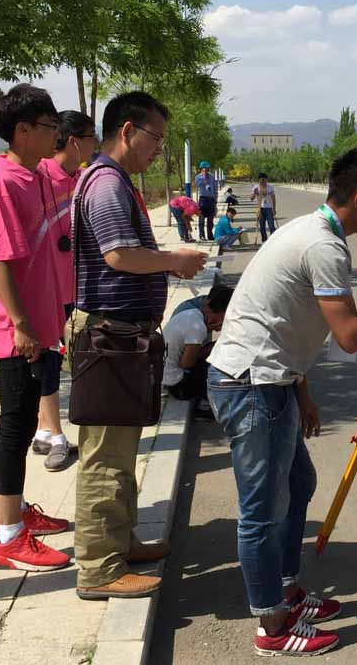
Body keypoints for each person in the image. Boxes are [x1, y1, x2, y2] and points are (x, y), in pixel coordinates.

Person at [207, 148, 357, 657]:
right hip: (251, 384)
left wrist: (302, 390)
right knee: (262, 511)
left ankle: (287, 591)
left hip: (273, 379)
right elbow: (350, 337)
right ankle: (271, 624)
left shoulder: (319, 232)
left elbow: (293, 322)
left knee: (299, 483)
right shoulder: (323, 246)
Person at [72, 91, 206, 600]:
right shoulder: (106, 184)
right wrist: (173, 260)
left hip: (122, 339)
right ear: (127, 131)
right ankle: (99, 567)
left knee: (121, 452)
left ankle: (119, 543)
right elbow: (119, 255)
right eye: (155, 138)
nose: (158, 150)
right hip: (109, 338)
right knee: (105, 456)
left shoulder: (114, 181)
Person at [0, 83, 71, 572]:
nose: (56, 134)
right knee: (15, 428)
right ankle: (8, 536)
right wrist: (20, 324)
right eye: (50, 126)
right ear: (23, 131)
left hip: (44, 324)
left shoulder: (34, 177)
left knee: (26, 417)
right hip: (21, 332)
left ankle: (12, 516)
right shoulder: (1, 185)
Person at [28, 110, 97, 472]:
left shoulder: (83, 178)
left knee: (63, 356)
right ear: (73, 141)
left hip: (74, 285)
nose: (95, 144)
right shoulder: (38, 176)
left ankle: (44, 430)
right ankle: (55, 435)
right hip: (43, 289)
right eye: (91, 137)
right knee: (50, 361)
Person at [163, 285, 233, 406]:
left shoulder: (191, 313)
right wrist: (214, 347)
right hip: (177, 385)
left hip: (164, 376)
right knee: (219, 366)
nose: (220, 327)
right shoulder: (198, 327)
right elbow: (186, 364)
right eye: (223, 319)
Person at [195, 161, 218, 241]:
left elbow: (215, 188)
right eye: (206, 168)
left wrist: (215, 201)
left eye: (208, 168)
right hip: (203, 200)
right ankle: (202, 235)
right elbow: (198, 185)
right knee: (201, 218)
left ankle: (210, 235)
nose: (208, 169)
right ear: (202, 168)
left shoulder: (212, 177)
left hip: (211, 200)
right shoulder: (198, 177)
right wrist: (204, 177)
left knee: (210, 219)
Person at [251, 172, 278, 241]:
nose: (262, 182)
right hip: (260, 209)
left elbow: (273, 198)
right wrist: (254, 192)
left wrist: (274, 209)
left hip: (269, 208)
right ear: (259, 180)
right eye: (261, 180)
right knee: (262, 227)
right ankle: (264, 240)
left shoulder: (270, 187)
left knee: (271, 226)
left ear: (266, 180)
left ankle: (273, 240)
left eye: (264, 180)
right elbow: (251, 198)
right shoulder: (256, 187)